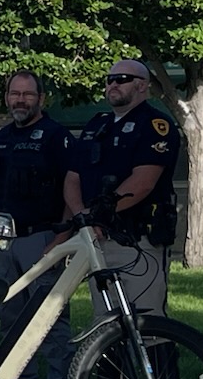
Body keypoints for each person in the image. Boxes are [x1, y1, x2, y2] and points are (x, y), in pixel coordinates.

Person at [0, 71, 73, 379]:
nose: (20, 100)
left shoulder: (56, 137)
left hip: (42, 239)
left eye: (27, 94)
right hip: (3, 242)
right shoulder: (0, 139)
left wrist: (61, 237)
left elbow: (70, 188)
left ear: (41, 98)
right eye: (14, 94)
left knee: (51, 319)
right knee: (11, 319)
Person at [63, 58, 180, 321]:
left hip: (136, 239)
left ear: (141, 85)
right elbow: (73, 178)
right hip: (97, 239)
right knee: (105, 321)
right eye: (109, 79)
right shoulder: (97, 125)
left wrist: (98, 217)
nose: (113, 84)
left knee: (147, 321)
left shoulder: (155, 125)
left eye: (121, 79)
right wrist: (84, 219)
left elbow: (143, 182)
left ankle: (154, 364)